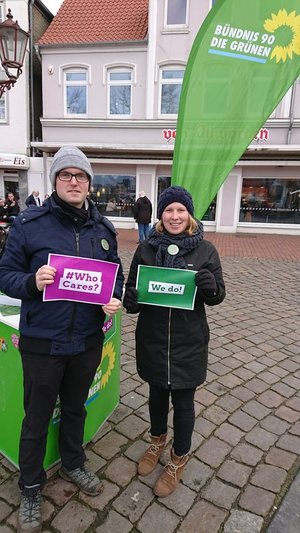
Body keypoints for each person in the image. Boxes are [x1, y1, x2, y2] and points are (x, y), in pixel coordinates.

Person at [0, 146, 124, 533]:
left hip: (87, 339)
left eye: (81, 176)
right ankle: (32, 486)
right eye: (66, 174)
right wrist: (31, 283)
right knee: (36, 418)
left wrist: (113, 296)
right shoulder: (29, 223)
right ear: (55, 181)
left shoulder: (102, 230)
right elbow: (5, 275)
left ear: (90, 184)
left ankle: (72, 463)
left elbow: (115, 274)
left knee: (75, 408)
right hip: (42, 341)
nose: (74, 181)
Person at [123, 186, 225, 498]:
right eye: (169, 210)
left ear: (190, 214)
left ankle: (179, 458)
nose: (175, 216)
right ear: (161, 214)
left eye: (181, 210)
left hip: (188, 341)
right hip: (153, 338)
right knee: (156, 395)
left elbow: (218, 294)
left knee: (183, 401)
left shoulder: (205, 250)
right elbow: (133, 292)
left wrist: (210, 287)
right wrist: (131, 299)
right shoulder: (146, 249)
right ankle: (157, 442)